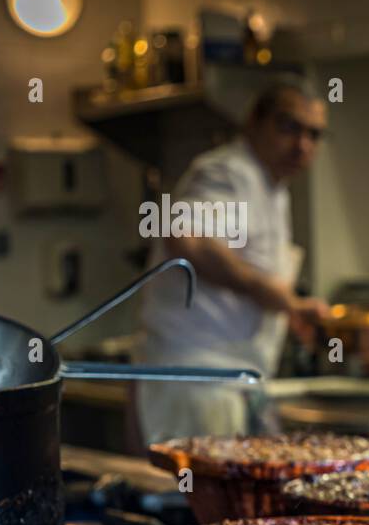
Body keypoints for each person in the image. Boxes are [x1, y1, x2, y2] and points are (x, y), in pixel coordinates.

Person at [135, 81, 330, 445]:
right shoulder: (228, 172)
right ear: (254, 122)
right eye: (289, 127)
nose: (302, 145)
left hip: (231, 377)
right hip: (197, 378)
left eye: (314, 135)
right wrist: (264, 290)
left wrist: (293, 309)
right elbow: (186, 237)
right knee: (194, 498)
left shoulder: (273, 189)